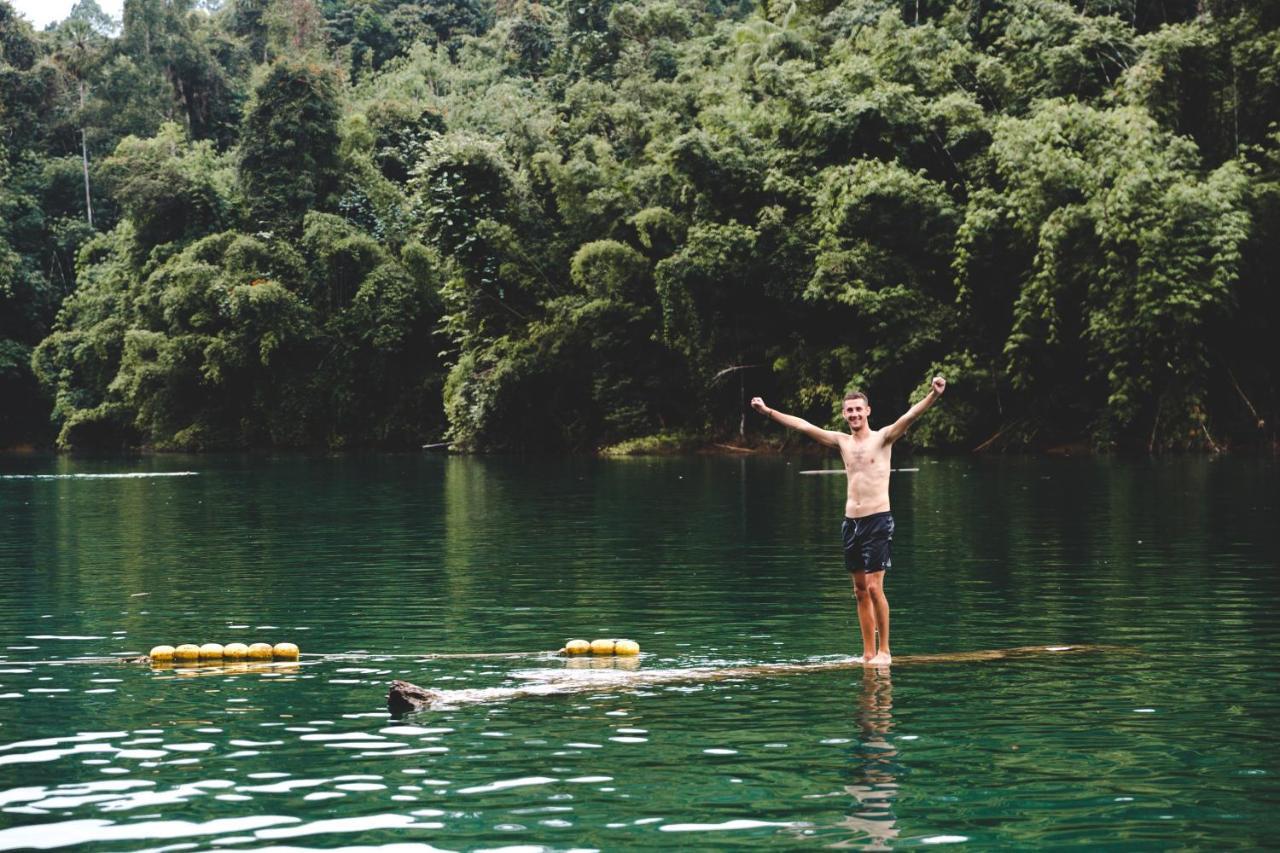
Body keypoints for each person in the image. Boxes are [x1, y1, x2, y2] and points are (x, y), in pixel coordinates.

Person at [751, 377, 946, 664]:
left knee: (874, 587)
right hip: (851, 523)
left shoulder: (884, 438)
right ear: (844, 415)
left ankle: (885, 651)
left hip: (878, 519)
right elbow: (802, 425)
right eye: (849, 411)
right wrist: (768, 411)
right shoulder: (841, 442)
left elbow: (911, 415)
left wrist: (934, 395)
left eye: (858, 409)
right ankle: (868, 653)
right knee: (858, 591)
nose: (854, 414)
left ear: (868, 411)